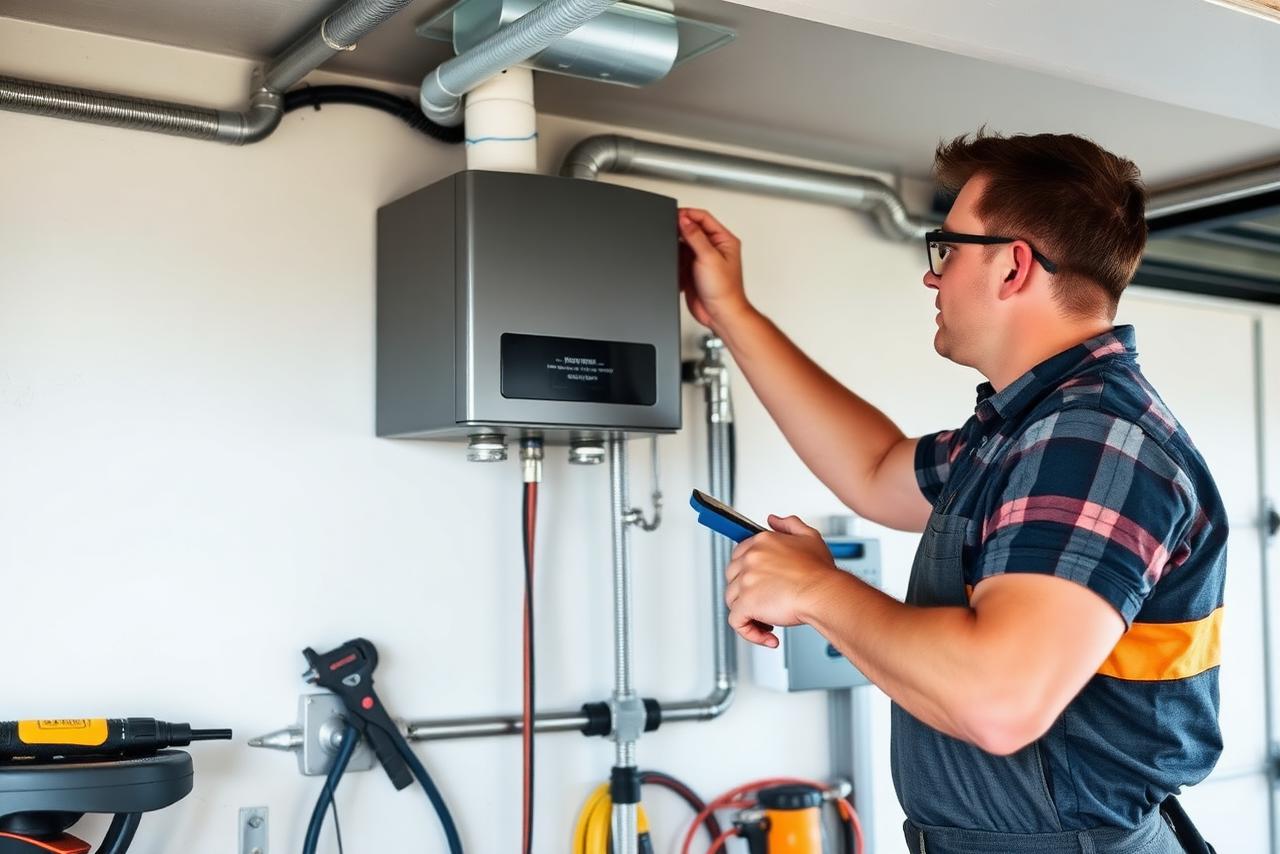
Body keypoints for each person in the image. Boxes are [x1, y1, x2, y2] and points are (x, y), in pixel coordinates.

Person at [677, 131, 1226, 853]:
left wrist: (817, 591)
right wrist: (731, 313)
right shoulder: (1029, 429)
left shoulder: (1092, 437)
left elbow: (1000, 700)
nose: (933, 277)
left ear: (1013, 265)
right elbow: (875, 469)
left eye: (948, 248)